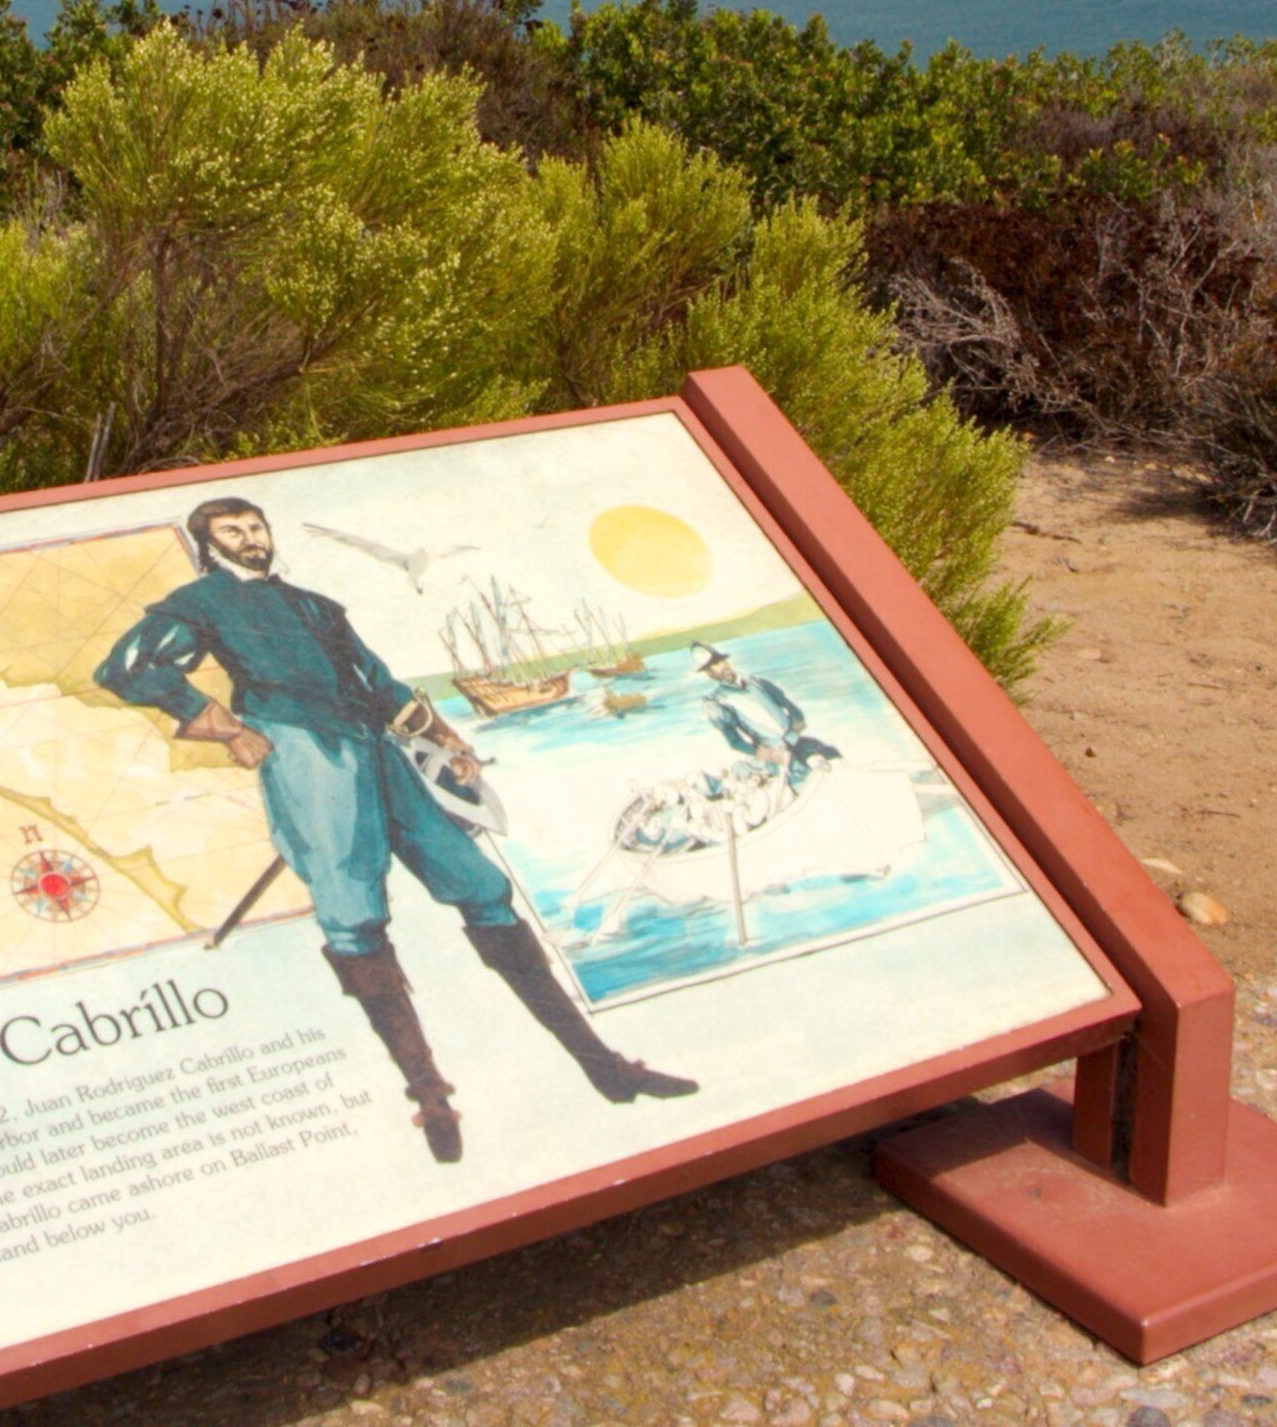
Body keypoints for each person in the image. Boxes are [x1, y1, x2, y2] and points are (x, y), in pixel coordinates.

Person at [95, 496, 694, 1162]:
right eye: (232, 532)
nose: (250, 539)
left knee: (480, 885)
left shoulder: (316, 606)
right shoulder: (201, 602)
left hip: (379, 751)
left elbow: (379, 683)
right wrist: (228, 729)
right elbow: (126, 668)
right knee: (354, 916)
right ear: (209, 545)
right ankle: (430, 1096)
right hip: (303, 752)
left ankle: (603, 1067)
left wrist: (445, 736)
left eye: (257, 526)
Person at [692, 642, 841, 791]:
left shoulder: (756, 682)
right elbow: (735, 742)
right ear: (710, 674)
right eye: (716, 665)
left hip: (797, 741)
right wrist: (765, 753)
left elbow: (787, 704)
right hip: (776, 753)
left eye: (722, 661)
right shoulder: (716, 702)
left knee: (833, 763)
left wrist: (796, 724)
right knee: (804, 785)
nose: (723, 666)